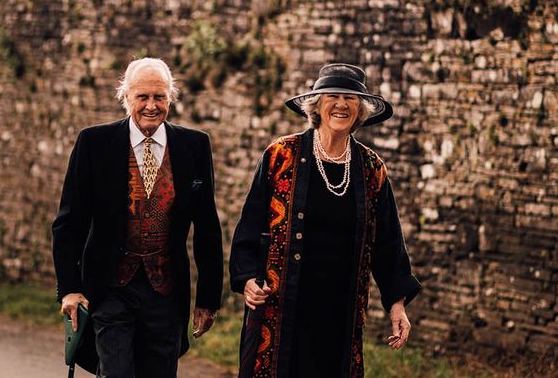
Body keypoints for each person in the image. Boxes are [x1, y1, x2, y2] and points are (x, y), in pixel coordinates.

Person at [230, 63, 421, 378]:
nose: (342, 104)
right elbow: (249, 227)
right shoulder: (281, 155)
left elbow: (388, 242)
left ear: (361, 110)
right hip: (280, 310)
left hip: (339, 314)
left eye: (351, 97)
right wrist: (247, 279)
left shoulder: (371, 169)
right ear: (316, 104)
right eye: (333, 95)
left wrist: (397, 305)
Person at [52, 57, 223, 378]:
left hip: (166, 294)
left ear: (170, 98)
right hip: (110, 290)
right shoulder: (94, 143)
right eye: (142, 97)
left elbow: (208, 228)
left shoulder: (195, 145)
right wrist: (69, 289)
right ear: (126, 97)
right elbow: (69, 222)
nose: (151, 105)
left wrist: (208, 299)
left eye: (159, 97)